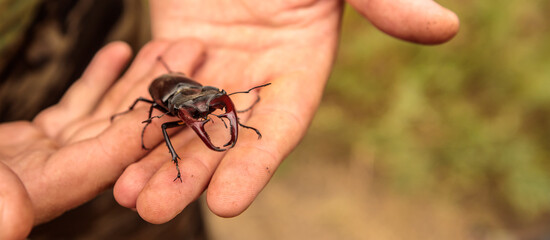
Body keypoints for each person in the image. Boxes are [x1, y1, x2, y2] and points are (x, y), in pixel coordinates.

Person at [0, 0, 459, 239]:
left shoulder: (200, 96)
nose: (202, 114)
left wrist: (225, 106)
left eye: (204, 109)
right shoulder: (168, 111)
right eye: (195, 113)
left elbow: (208, 97)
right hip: (148, 89)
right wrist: (177, 128)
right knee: (147, 141)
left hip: (73, 19)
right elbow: (165, 111)